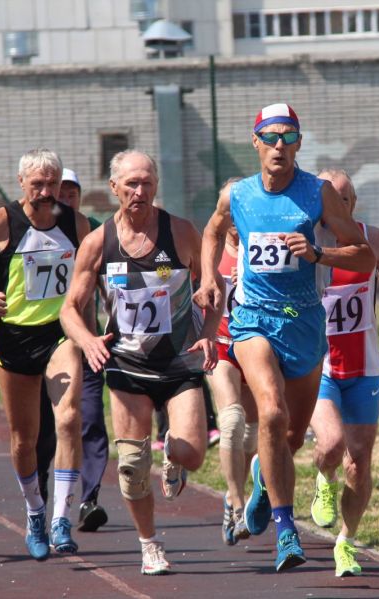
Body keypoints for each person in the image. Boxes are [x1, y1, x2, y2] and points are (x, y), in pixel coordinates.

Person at [195, 103, 376, 572]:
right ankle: (286, 531)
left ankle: (261, 481)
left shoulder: (318, 194)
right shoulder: (237, 194)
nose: (280, 146)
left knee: (291, 436)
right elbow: (212, 232)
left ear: (299, 143)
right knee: (270, 412)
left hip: (305, 324)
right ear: (254, 141)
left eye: (289, 137)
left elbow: (363, 257)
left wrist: (319, 253)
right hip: (253, 319)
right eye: (271, 137)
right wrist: (211, 278)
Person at [60, 150, 218, 576]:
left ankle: (173, 460)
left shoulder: (181, 233)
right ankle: (149, 545)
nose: (139, 191)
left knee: (194, 453)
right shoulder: (97, 244)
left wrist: (208, 329)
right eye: (131, 183)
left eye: (147, 182)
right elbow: (69, 309)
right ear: (114, 189)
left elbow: (213, 288)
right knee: (130, 467)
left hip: (179, 362)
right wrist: (88, 339)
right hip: (127, 364)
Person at [0, 149, 89, 560]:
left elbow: (94, 267)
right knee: (23, 438)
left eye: (53, 184)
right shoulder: (1, 223)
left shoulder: (74, 222)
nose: (47, 192)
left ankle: (62, 519)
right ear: (21, 184)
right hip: (13, 339)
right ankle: (35, 511)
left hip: (59, 334)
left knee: (68, 419)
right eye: (38, 185)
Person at [308, 169, 379, 577]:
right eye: (333, 201)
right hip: (319, 365)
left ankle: (346, 542)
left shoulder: (373, 239)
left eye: (347, 199)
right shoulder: (307, 243)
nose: (342, 207)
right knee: (332, 443)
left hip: (364, 367)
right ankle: (322, 476)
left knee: (360, 461)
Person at [35, 168, 110, 532]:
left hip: (87, 344)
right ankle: (44, 499)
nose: (64, 199)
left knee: (90, 420)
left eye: (71, 193)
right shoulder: (34, 229)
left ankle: (89, 498)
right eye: (58, 192)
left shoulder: (93, 231)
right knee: (47, 431)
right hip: (44, 347)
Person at [206, 179, 259, 547]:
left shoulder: (262, 247)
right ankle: (238, 506)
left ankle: (230, 492)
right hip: (222, 347)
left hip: (254, 347)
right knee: (231, 422)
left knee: (255, 436)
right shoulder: (209, 249)